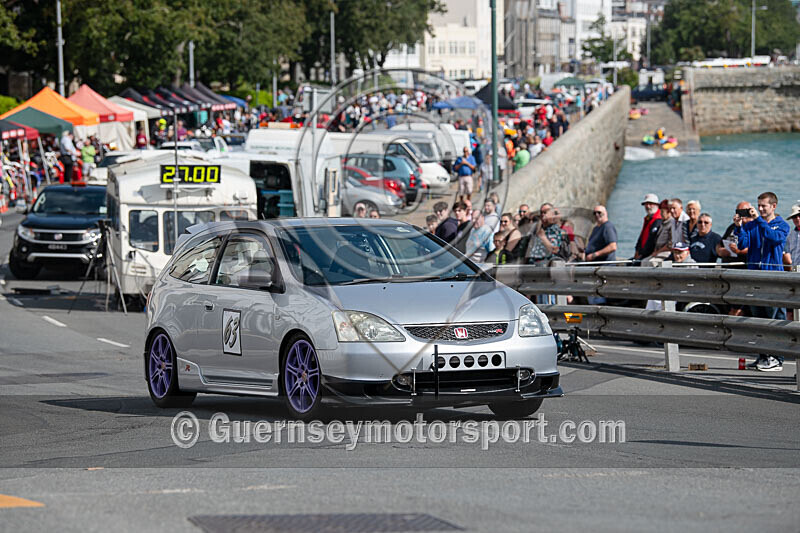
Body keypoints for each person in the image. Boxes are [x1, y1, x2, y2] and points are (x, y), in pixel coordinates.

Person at [735, 192, 790, 372]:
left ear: (773, 206)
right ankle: (763, 355)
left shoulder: (782, 225)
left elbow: (774, 239)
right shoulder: (754, 224)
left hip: (774, 279)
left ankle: (777, 357)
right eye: (758, 205)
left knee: (774, 320)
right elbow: (742, 245)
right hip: (754, 278)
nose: (759, 209)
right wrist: (739, 227)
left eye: (763, 206)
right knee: (759, 319)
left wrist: (758, 220)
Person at [716, 201, 753, 269]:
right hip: (727, 266)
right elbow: (720, 243)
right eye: (738, 212)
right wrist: (720, 251)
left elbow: (756, 247)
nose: (741, 214)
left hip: (742, 266)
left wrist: (739, 251)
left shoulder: (753, 227)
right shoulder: (733, 226)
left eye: (743, 211)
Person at [634, 193, 663, 261]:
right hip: (643, 254)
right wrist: (637, 250)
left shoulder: (659, 220)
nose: (648, 206)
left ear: (657, 205)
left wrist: (643, 254)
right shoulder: (648, 218)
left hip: (650, 255)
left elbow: (652, 241)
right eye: (646, 204)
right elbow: (642, 236)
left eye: (650, 204)